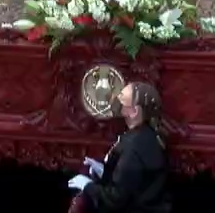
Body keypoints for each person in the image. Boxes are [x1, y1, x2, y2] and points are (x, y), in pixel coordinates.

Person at [68, 82, 170, 213]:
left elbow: (116, 199)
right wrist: (103, 171)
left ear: (134, 111)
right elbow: (132, 181)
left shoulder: (133, 147)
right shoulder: (145, 134)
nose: (115, 99)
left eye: (122, 97)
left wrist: (87, 185)